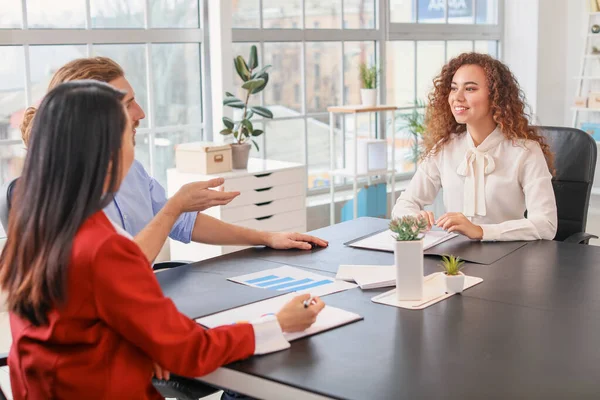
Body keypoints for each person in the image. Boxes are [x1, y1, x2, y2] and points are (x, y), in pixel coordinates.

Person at [0, 80, 325, 399]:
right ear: (107, 153)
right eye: (130, 137)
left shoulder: (34, 226)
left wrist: (146, 341)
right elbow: (188, 351)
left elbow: (78, 325)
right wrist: (278, 324)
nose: (133, 143)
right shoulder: (103, 246)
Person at [20, 57, 328, 264]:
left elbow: (181, 222)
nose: (141, 113)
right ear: (93, 118)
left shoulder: (130, 171)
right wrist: (174, 206)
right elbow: (123, 267)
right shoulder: (62, 197)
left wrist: (265, 238)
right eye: (127, 104)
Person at [392, 52, 557, 241]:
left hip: (510, 257)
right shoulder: (445, 148)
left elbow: (546, 225)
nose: (457, 97)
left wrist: (481, 231)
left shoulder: (526, 152)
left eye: (470, 89)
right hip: (454, 260)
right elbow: (404, 204)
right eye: (454, 89)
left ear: (495, 96)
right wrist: (414, 217)